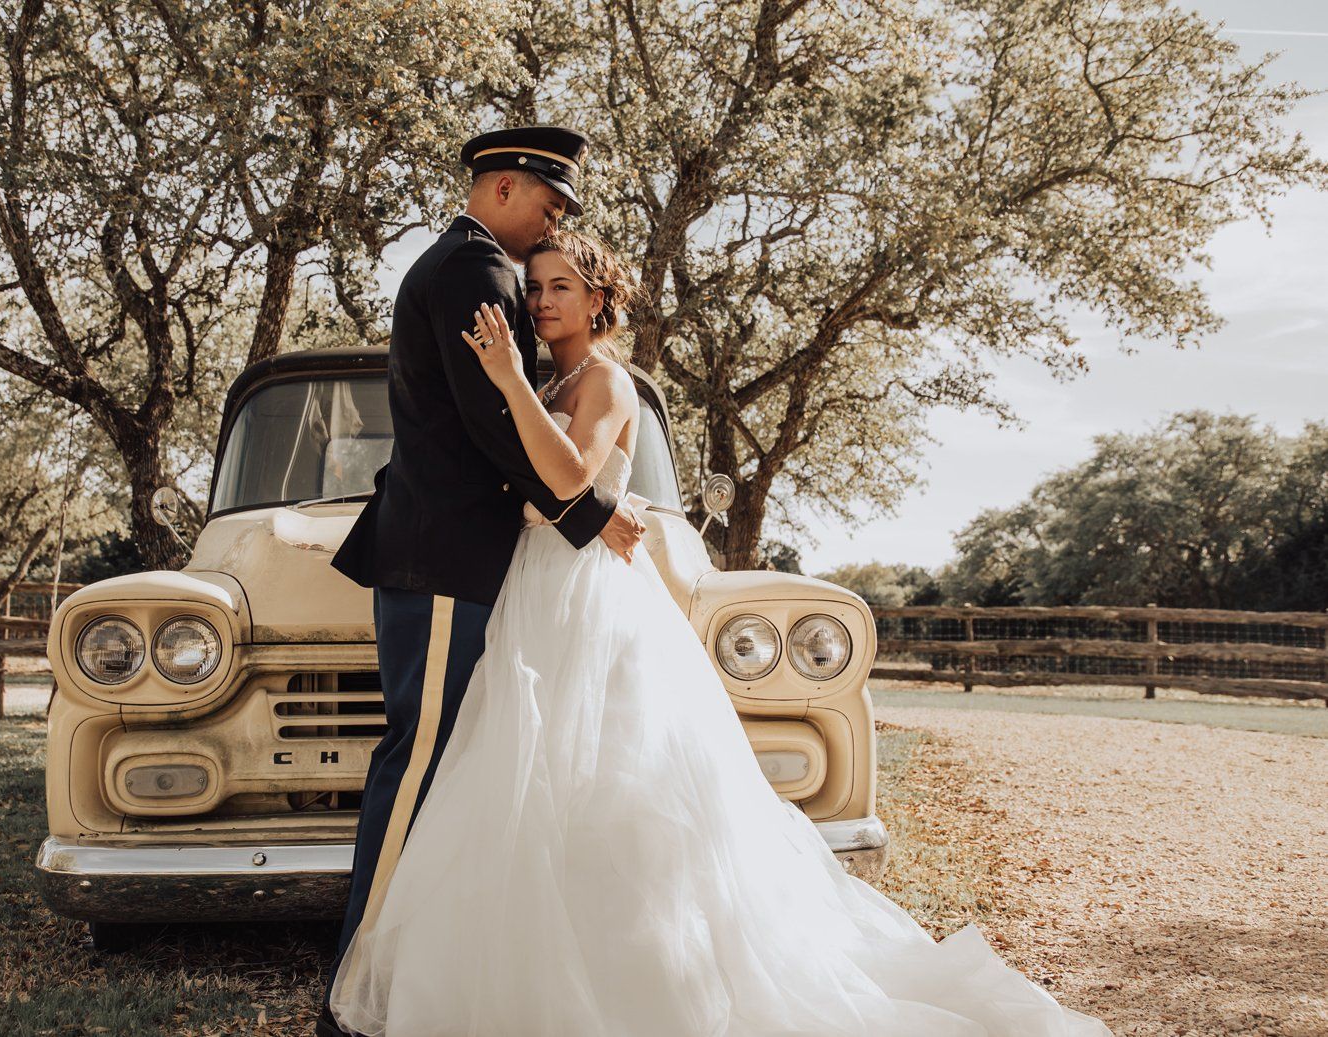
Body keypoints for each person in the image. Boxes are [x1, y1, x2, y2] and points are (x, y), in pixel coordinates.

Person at [324, 227, 1116, 1036]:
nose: (539, 301)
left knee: (606, 783)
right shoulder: (547, 380)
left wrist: (502, 378)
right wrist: (509, 388)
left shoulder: (605, 381)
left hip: (586, 597)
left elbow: (566, 477)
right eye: (533, 288)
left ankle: (633, 971)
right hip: (531, 588)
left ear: (600, 300)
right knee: (521, 775)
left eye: (560, 286)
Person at [320, 125, 647, 1037]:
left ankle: (394, 971)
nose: (552, 220)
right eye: (549, 200)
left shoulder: (467, 266)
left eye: (562, 269)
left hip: (457, 557)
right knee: (416, 765)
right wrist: (589, 519)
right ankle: (355, 983)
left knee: (436, 770)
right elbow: (487, 426)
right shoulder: (475, 272)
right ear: (505, 185)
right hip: (442, 556)